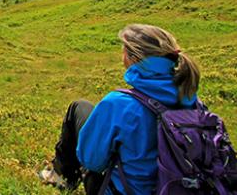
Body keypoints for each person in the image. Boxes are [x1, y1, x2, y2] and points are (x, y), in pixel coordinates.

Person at [38, 24, 200, 194]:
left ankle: (62, 176)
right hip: (179, 187)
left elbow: (91, 161)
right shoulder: (191, 99)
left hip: (123, 191)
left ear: (133, 58)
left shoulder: (118, 104)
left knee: (78, 108)